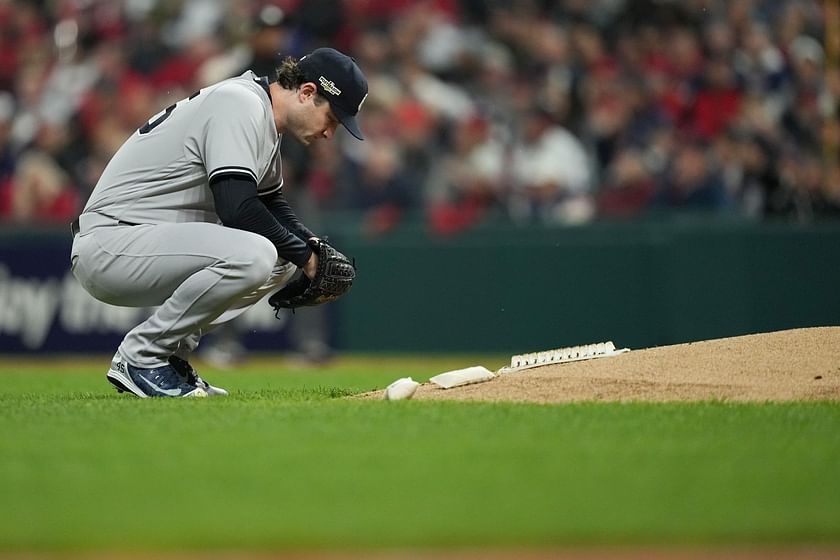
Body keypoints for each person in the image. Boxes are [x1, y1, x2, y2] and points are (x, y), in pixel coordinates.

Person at [69, 47, 368, 398]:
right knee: (256, 253)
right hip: (113, 241)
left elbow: (271, 203)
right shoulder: (239, 103)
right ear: (306, 92)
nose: (331, 133)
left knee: (280, 258)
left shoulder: (262, 116)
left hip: (142, 240)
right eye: (332, 118)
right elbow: (237, 210)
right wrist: (308, 258)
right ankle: (140, 357)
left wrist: (311, 246)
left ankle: (168, 357)